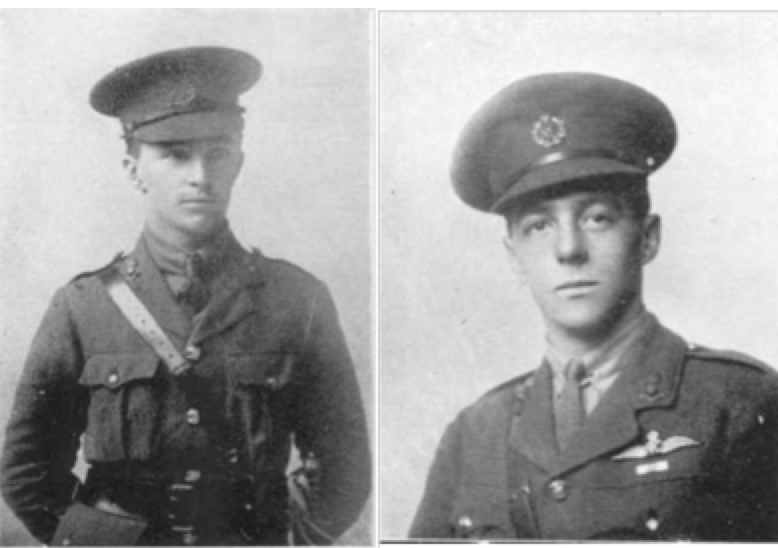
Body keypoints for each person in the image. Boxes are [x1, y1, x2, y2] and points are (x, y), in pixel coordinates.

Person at [1, 46, 370, 546]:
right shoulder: (83, 306)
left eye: (217, 154)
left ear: (238, 163)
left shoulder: (298, 301)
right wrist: (94, 539)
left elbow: (345, 468)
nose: (200, 176)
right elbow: (27, 469)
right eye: (175, 155)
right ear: (133, 168)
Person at [409, 72, 778, 541]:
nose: (568, 249)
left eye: (597, 218)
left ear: (647, 238)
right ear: (515, 258)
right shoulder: (474, 435)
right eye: (539, 226)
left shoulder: (740, 404)